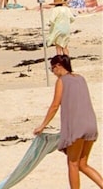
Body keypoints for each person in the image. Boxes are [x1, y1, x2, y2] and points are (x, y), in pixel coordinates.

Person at [34, 54, 103, 189]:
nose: (53, 72)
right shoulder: (81, 78)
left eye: (52, 69)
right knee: (82, 164)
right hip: (91, 124)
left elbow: (55, 105)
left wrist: (42, 126)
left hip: (77, 126)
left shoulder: (62, 81)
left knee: (73, 163)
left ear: (58, 66)